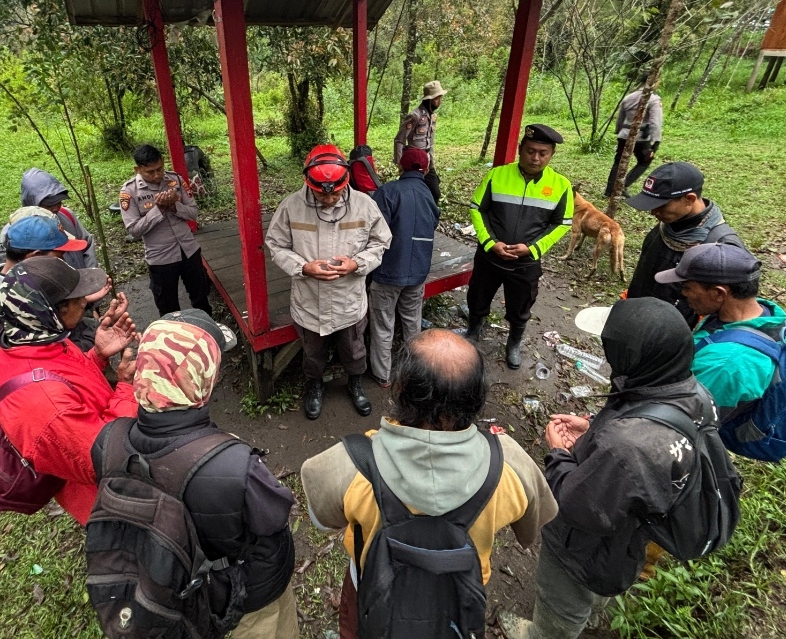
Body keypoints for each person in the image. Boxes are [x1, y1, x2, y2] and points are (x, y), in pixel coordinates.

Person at [301, 329, 558, 639]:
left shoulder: (351, 461)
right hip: (460, 596)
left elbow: (322, 518)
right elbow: (531, 529)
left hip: (371, 588)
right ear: (477, 398)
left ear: (398, 389)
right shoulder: (509, 462)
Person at [501, 298, 716, 639]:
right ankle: (594, 614)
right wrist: (595, 431)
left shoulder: (627, 446)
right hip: (633, 534)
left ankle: (543, 633)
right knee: (601, 586)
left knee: (562, 600)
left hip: (585, 547)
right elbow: (647, 445)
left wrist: (558, 454)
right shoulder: (691, 393)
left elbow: (576, 506)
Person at [92, 309, 300, 638]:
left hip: (165, 583)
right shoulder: (235, 463)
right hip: (237, 599)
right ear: (202, 378)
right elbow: (273, 535)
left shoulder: (108, 440)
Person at [0, 256, 139, 525]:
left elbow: (67, 381)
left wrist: (97, 355)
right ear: (52, 310)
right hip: (110, 501)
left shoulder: (26, 341)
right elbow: (108, 458)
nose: (84, 301)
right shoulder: (46, 406)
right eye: (77, 298)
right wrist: (126, 388)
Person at [264, 144, 391, 420]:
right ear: (308, 181)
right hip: (309, 301)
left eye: (335, 192)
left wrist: (357, 263)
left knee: (354, 350)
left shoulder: (364, 205)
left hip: (349, 301)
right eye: (322, 193)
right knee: (313, 354)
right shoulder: (291, 207)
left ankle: (355, 385)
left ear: (345, 180)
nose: (329, 198)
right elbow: (275, 245)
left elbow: (382, 241)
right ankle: (315, 386)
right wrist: (303, 267)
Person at [465, 124, 573, 369]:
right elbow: (477, 209)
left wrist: (533, 248)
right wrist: (490, 242)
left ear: (551, 154)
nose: (535, 158)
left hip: (525, 263)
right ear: (520, 149)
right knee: (478, 296)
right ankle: (473, 331)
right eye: (530, 151)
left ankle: (514, 342)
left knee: (521, 305)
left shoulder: (561, 185)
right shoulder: (496, 176)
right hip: (489, 257)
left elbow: (562, 223)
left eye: (542, 153)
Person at [654, 242, 786, 421]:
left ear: (718, 293)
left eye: (687, 287)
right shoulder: (760, 312)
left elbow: (682, 419)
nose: (683, 294)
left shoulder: (724, 365)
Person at [625, 161, 745, 327]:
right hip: (640, 322)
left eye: (660, 205)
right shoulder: (665, 227)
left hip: (675, 335)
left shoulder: (722, 248)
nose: (653, 212)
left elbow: (729, 311)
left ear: (689, 199)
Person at [367, 147, 441, 387]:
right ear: (426, 168)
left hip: (388, 272)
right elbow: (433, 224)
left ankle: (383, 374)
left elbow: (374, 231)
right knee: (412, 323)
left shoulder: (388, 191)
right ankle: (414, 370)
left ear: (400, 166)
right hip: (418, 272)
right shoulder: (429, 194)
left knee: (382, 324)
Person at [119, 144, 213, 317]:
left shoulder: (175, 180)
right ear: (137, 169)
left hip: (189, 250)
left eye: (159, 169)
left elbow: (193, 212)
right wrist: (159, 209)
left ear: (163, 162)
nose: (157, 175)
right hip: (161, 258)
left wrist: (174, 206)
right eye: (150, 172)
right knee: (168, 308)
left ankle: (208, 335)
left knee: (201, 299)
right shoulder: (129, 191)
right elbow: (134, 230)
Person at [0, 208, 90, 308]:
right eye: (59, 257)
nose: (64, 262)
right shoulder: (19, 297)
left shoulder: (3, 275)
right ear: (34, 256)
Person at [20, 168, 99, 269]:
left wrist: (91, 275)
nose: (56, 208)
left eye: (58, 202)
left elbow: (87, 245)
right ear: (32, 204)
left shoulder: (67, 215)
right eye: (49, 205)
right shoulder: (19, 234)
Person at [604, 85, 663, 197]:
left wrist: (619, 131)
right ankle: (622, 186)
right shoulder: (653, 99)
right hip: (640, 137)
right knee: (644, 161)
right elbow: (655, 122)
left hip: (624, 134)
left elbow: (620, 118)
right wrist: (656, 142)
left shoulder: (629, 97)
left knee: (618, 161)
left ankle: (609, 190)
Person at [394, 80, 446, 202]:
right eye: (436, 98)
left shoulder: (432, 116)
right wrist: (399, 163)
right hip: (413, 161)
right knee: (412, 191)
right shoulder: (415, 115)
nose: (439, 101)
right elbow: (399, 140)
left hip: (426, 160)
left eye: (440, 98)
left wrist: (432, 163)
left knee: (435, 192)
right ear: (429, 99)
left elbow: (430, 141)